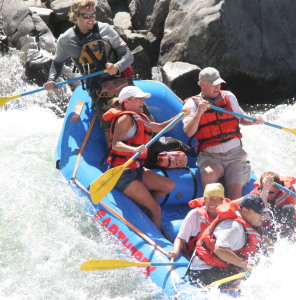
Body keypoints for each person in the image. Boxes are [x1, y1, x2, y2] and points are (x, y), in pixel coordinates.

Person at [43, 0, 142, 137]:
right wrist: (52, 79)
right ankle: (113, 152)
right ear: (76, 16)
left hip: (120, 79)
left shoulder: (105, 29)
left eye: (93, 15)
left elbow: (128, 55)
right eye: (86, 16)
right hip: (97, 87)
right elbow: (58, 63)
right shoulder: (65, 40)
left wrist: (117, 66)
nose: (91, 19)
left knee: (143, 113)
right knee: (107, 123)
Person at [102, 86, 182, 230]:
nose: (143, 102)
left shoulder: (142, 119)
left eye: (142, 99)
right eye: (139, 99)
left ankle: (142, 208)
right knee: (156, 210)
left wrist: (182, 114)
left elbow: (163, 127)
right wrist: (134, 149)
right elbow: (115, 144)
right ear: (127, 101)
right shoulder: (125, 118)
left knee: (169, 186)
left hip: (137, 170)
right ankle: (159, 239)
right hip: (123, 173)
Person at [182, 67, 264, 200]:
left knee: (235, 194)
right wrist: (199, 113)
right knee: (208, 174)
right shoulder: (192, 104)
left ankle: (229, 217)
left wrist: (254, 120)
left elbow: (242, 119)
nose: (217, 87)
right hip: (210, 156)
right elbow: (189, 131)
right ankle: (210, 211)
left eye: (219, 83)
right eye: (213, 84)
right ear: (202, 84)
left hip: (235, 155)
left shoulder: (229, 96)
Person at [187, 194, 270, 288]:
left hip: (221, 267)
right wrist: (247, 266)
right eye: (259, 212)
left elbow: (258, 236)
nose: (262, 215)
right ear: (245, 211)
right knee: (252, 279)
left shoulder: (247, 221)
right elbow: (220, 250)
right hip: (203, 271)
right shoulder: (234, 227)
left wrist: (273, 245)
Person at [167, 183, 231, 259]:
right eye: (208, 198)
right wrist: (176, 251)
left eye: (216, 198)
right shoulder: (194, 215)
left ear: (222, 201)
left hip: (215, 256)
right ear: (204, 199)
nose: (212, 202)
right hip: (193, 254)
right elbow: (180, 238)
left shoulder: (228, 216)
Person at [250, 171, 296, 237]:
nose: (268, 195)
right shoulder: (256, 194)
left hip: (283, 218)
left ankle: (291, 235)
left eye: (270, 192)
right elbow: (264, 213)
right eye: (265, 191)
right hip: (265, 220)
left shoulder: (287, 192)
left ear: (278, 189)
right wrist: (265, 190)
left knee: (289, 209)